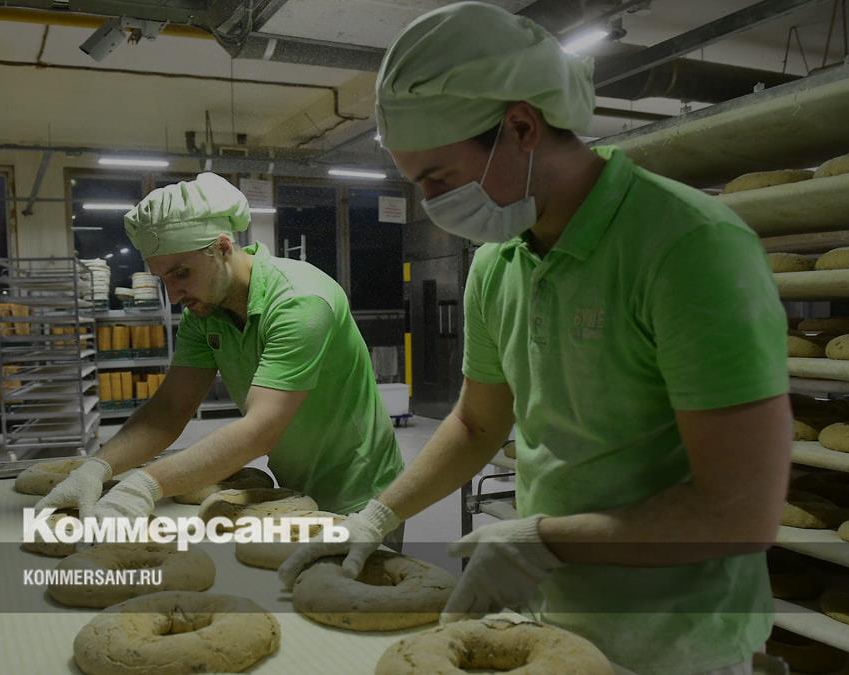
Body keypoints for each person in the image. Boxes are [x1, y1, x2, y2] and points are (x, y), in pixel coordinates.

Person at [278, 4, 791, 674]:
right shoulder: (499, 261)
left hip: (677, 636)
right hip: (549, 613)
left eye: (438, 179)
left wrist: (543, 540)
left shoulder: (689, 247)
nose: (431, 204)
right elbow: (476, 423)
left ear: (521, 127)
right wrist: (377, 515)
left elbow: (741, 512)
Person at [30, 173, 405, 549]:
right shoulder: (204, 314)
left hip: (362, 495)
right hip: (293, 488)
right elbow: (170, 409)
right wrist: (98, 467)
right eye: (163, 279)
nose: (174, 295)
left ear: (223, 247)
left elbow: (260, 430)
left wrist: (145, 485)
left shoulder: (299, 302)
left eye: (181, 273)